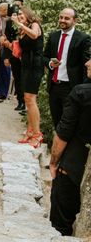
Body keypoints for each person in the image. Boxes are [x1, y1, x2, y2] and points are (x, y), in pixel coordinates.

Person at [49, 64, 91, 236]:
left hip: (73, 167)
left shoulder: (81, 93)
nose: (87, 63)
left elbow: (63, 133)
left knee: (60, 226)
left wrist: (53, 162)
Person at [44, 7, 91, 128]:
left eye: (67, 18)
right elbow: (44, 57)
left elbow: (86, 64)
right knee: (56, 122)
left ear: (75, 20)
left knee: (69, 125)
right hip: (54, 86)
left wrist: (82, 88)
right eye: (61, 17)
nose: (62, 20)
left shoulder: (82, 38)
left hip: (71, 87)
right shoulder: (54, 36)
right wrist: (50, 64)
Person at [11, 7, 44, 148]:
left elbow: (35, 35)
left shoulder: (34, 25)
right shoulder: (23, 29)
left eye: (21, 14)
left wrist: (19, 24)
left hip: (34, 65)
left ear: (28, 15)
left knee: (31, 99)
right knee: (27, 99)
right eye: (18, 15)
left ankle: (37, 134)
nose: (19, 16)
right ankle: (30, 131)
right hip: (25, 65)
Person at [2, 0, 24, 111]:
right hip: (13, 54)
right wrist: (6, 56)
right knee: (17, 78)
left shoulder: (27, 22)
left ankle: (26, 101)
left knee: (25, 78)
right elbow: (6, 39)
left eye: (19, 6)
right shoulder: (9, 22)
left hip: (25, 54)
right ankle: (20, 101)